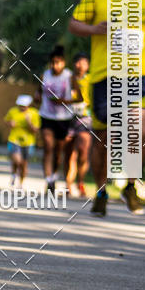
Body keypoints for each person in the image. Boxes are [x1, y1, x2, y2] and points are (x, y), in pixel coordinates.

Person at [68, 0, 145, 217]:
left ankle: (130, 186)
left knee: (140, 130)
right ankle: (101, 191)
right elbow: (73, 24)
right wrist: (93, 29)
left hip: (138, 75)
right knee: (104, 138)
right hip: (104, 75)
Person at [35, 45, 73, 196]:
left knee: (58, 152)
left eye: (58, 62)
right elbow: (38, 92)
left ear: (63, 62)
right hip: (46, 116)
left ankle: (54, 175)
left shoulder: (69, 76)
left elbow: (79, 98)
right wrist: (37, 97)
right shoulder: (45, 75)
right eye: (53, 62)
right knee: (48, 147)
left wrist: (63, 101)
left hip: (63, 118)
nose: (55, 65)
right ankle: (49, 180)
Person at [63, 53, 92, 197]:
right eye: (78, 62)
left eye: (84, 63)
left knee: (83, 152)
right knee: (69, 153)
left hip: (85, 119)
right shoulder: (67, 79)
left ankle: (80, 182)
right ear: (74, 64)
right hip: (67, 118)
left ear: (88, 65)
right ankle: (68, 185)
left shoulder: (92, 80)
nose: (80, 65)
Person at [3, 94, 41, 187]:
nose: (22, 107)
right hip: (14, 139)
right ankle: (14, 174)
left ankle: (21, 182)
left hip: (28, 142)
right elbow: (6, 120)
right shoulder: (13, 111)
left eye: (24, 106)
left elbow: (35, 130)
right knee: (17, 161)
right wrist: (10, 123)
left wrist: (29, 123)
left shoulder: (34, 113)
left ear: (29, 105)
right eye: (20, 105)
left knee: (24, 164)